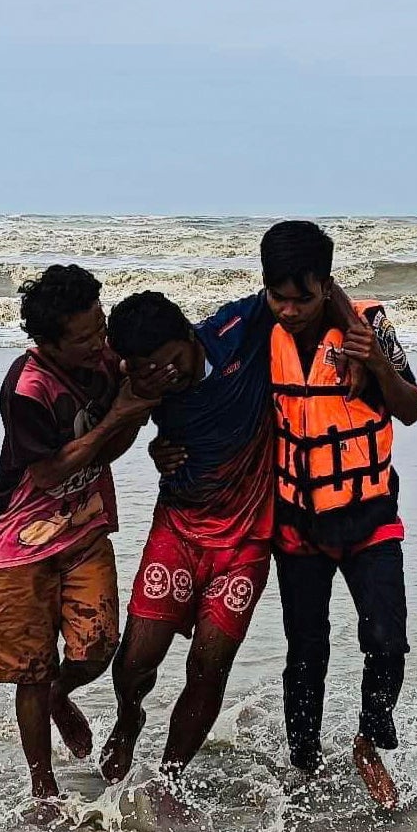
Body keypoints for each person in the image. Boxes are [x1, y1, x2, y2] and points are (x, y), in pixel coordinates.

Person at [260, 221, 417, 810]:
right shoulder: (261, 326)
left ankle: (368, 741)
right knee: (305, 649)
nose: (290, 310)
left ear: (327, 285)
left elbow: (411, 409)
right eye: (279, 297)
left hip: (369, 513)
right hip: (297, 522)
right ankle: (303, 761)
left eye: (303, 298)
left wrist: (376, 361)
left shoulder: (370, 324)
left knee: (387, 639)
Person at [0, 265, 158, 801]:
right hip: (18, 544)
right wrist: (119, 415)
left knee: (98, 648)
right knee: (30, 672)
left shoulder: (106, 363)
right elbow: (49, 472)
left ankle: (61, 695)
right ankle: (43, 789)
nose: (100, 343)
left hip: (83, 531)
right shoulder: (26, 389)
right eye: (84, 338)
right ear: (47, 342)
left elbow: (111, 445)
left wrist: (136, 411)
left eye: (100, 326)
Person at [96, 288, 282, 784]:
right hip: (178, 527)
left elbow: (301, 285)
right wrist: (142, 422)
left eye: (168, 363)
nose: (162, 376)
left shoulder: (237, 332)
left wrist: (365, 325)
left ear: (189, 336)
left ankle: (171, 776)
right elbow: (107, 446)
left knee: (208, 664)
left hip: (246, 539)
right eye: (145, 369)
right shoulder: (138, 383)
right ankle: (129, 718)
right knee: (137, 659)